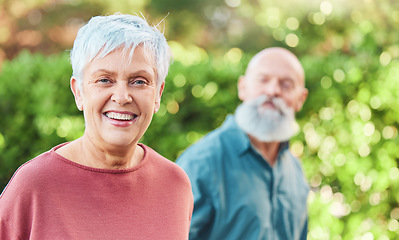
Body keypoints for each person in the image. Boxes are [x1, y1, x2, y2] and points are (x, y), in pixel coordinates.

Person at [0, 13, 193, 240]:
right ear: (79, 92)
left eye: (139, 81)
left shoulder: (175, 184)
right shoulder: (34, 186)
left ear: (158, 94)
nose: (122, 97)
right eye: (104, 80)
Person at [176, 47, 309, 240]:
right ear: (242, 87)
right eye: (263, 80)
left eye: (286, 85)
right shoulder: (200, 163)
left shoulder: (295, 170)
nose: (273, 91)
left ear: (301, 99)